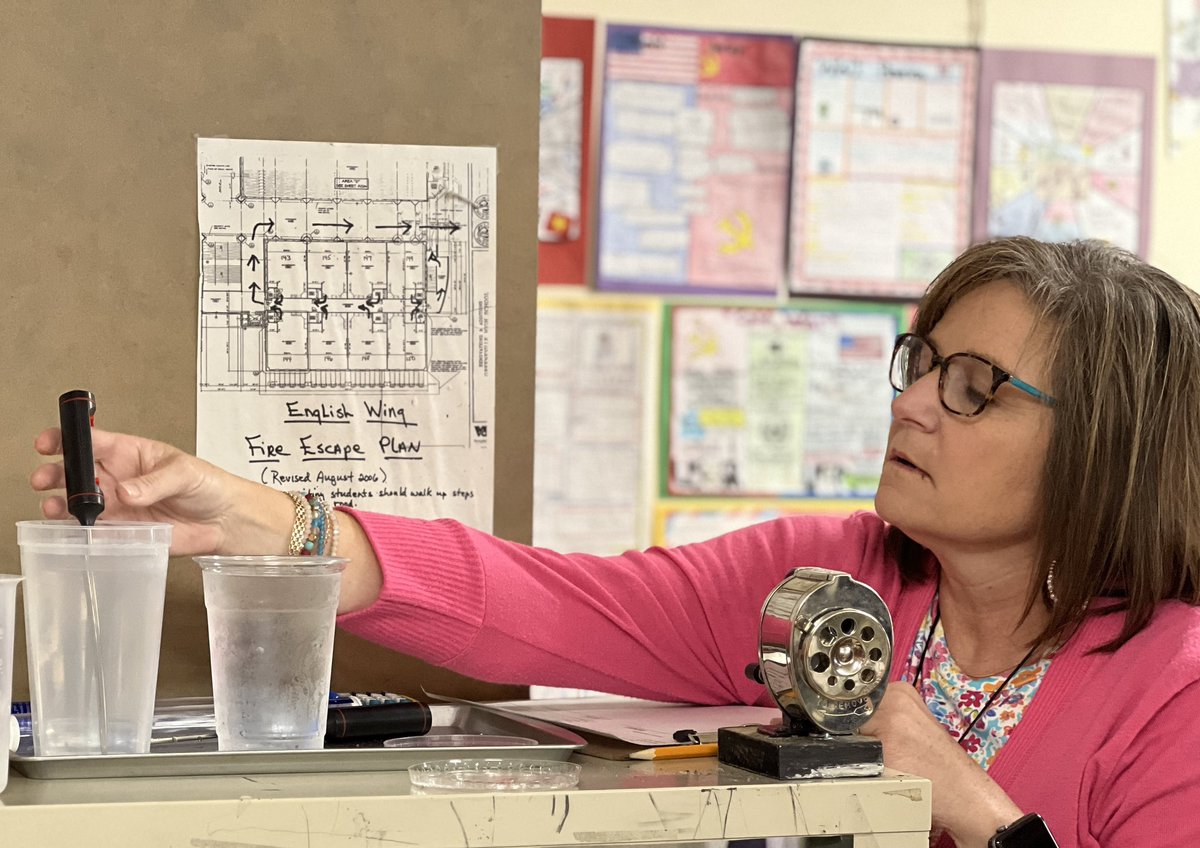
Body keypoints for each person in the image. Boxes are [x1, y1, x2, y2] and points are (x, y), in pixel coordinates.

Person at [30, 236, 1200, 847]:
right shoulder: (821, 583)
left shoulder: (1174, 685)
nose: (913, 403)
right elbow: (541, 601)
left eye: (976, 386)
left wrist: (974, 808)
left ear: (1107, 442)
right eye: (922, 362)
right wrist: (270, 519)